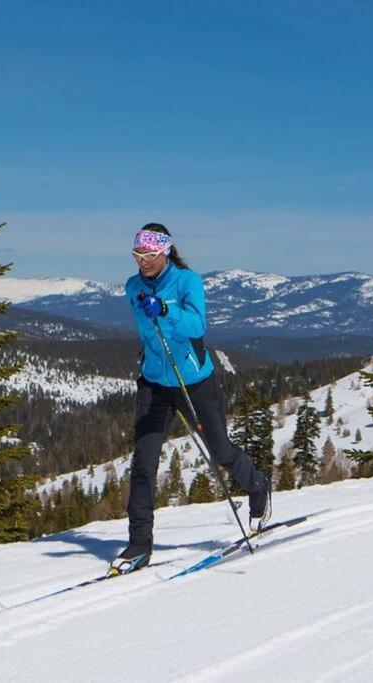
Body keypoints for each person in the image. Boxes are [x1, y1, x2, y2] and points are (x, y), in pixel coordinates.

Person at [111, 223, 272, 574]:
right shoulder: (133, 287)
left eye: (150, 255)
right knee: (143, 464)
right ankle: (139, 545)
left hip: (194, 380)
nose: (143, 262)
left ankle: (258, 487)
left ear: (165, 251)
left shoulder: (188, 281)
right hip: (154, 383)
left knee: (220, 451)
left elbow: (198, 327)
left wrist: (167, 311)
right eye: (138, 255)